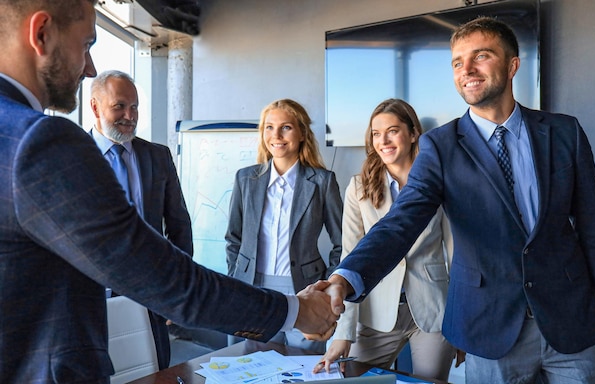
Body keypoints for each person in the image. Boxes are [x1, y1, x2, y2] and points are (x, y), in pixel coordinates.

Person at [0, 1, 337, 382]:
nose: (89, 67)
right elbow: (164, 275)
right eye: (87, 44)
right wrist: (294, 311)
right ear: (41, 34)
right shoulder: (40, 141)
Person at [320, 16, 595, 384]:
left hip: (573, 324)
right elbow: (400, 224)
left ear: (513, 65)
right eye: (456, 62)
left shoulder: (564, 133)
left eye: (481, 56)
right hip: (489, 328)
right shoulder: (439, 146)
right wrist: (346, 278)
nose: (466, 69)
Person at [314, 99, 456, 381]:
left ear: (413, 133)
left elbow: (455, 252)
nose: (384, 140)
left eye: (392, 131)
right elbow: (351, 257)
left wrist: (461, 323)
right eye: (376, 134)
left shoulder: (438, 181)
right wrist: (343, 334)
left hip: (431, 311)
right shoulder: (359, 187)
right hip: (376, 312)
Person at [89, 70, 193, 370]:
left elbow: (179, 227)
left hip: (153, 295)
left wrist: (178, 288)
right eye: (119, 106)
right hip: (95, 299)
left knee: (156, 369)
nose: (129, 115)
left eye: (134, 107)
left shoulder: (158, 156)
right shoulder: (73, 157)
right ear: (95, 107)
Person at [225, 98, 343, 353]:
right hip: (253, 288)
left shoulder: (322, 182)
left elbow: (342, 242)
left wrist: (330, 284)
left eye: (286, 127)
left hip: (304, 287)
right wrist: (238, 276)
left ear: (301, 133)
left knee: (303, 364)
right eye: (269, 127)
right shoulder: (245, 178)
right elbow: (233, 238)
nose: (276, 135)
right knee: (256, 367)